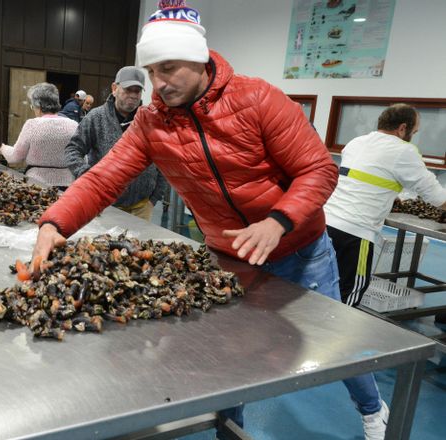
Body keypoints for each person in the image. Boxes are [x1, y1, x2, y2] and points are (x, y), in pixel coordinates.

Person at [33, 1, 389, 438]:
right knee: (232, 352)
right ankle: (229, 430)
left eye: (170, 69)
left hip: (300, 250)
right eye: (152, 73)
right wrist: (56, 223)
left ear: (200, 59)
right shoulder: (150, 123)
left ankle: (372, 410)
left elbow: (318, 170)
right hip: (230, 255)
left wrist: (278, 221)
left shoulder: (259, 100)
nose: (159, 85)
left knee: (337, 345)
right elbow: (104, 178)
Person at [325, 104, 446, 307]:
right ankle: (334, 335)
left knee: (323, 284)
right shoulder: (403, 151)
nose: (413, 137)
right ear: (402, 128)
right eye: (413, 132)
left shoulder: (356, 142)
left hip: (325, 223)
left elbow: (366, 179)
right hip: (356, 232)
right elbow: (436, 197)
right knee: (351, 291)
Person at [64, 66, 168, 221]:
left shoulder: (151, 120)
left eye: (137, 91)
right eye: (128, 90)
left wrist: (154, 198)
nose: (133, 96)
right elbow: (72, 150)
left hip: (142, 207)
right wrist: (87, 176)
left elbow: (162, 160)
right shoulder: (96, 118)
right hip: (105, 206)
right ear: (114, 88)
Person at [0, 83, 77, 189]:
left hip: (36, 185)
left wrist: (3, 148)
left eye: (32, 106)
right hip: (67, 185)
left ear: (39, 107)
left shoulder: (32, 125)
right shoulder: (73, 125)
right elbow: (80, 158)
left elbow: (15, 158)